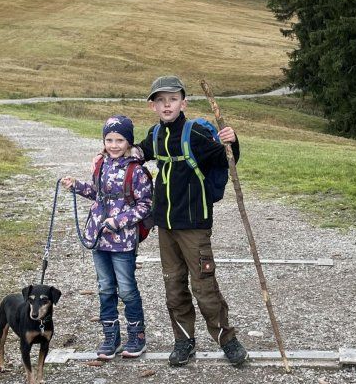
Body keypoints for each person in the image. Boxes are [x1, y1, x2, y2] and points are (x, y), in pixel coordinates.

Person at [137, 75, 248, 367]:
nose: (166, 105)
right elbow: (141, 151)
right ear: (153, 106)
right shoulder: (156, 134)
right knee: (173, 287)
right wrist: (122, 152)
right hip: (166, 227)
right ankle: (184, 341)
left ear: (183, 102)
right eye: (160, 100)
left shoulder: (195, 133)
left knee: (204, 287)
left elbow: (226, 159)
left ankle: (227, 339)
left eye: (172, 99)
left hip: (195, 226)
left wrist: (232, 142)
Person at [61, 115, 152, 360]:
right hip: (98, 237)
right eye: (109, 139)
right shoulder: (101, 165)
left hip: (122, 241)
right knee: (105, 288)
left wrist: (118, 221)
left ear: (129, 142)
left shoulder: (137, 171)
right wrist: (77, 186)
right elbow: (97, 194)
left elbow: (145, 206)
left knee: (127, 289)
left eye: (119, 140)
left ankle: (137, 336)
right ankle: (111, 336)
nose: (114, 145)